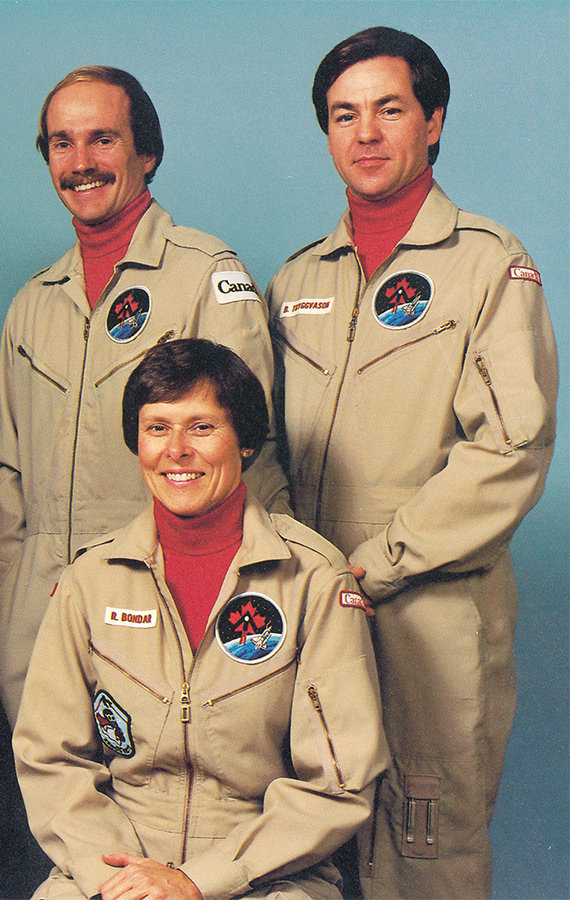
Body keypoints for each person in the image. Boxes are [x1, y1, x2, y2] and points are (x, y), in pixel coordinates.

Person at [266, 26, 557, 899]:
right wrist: (305, 568)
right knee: (301, 828)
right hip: (309, 603)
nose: (365, 134)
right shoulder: (294, 282)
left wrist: (373, 564)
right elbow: (258, 445)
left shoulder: (488, 266)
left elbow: (509, 448)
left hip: (431, 608)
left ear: (432, 122)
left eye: (388, 110)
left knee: (424, 842)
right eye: (343, 115)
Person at [14, 338, 389, 900]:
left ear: (245, 442)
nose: (177, 450)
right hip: (115, 861)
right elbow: (50, 757)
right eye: (157, 428)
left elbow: (337, 784)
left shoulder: (312, 578)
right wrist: (123, 879)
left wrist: (197, 881)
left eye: (202, 427)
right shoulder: (90, 580)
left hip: (266, 871)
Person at [0, 66, 290, 726]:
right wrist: (11, 590)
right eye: (61, 143)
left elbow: (246, 457)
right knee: (51, 812)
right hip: (36, 618)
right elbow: (8, 473)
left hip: (158, 602)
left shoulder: (205, 275)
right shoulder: (32, 305)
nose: (81, 163)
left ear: (146, 152)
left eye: (103, 139)